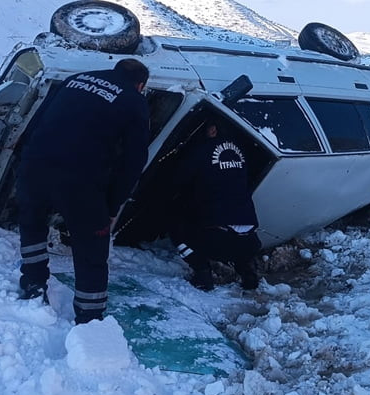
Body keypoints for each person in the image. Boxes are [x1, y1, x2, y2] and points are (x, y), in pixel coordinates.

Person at [13, 57, 150, 324]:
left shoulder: (75, 80)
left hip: (35, 165)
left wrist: (25, 160)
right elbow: (133, 161)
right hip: (80, 180)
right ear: (141, 84)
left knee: (32, 226)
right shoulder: (134, 101)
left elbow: (36, 121)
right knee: (91, 247)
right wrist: (112, 207)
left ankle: (33, 284)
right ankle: (89, 316)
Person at [172, 121, 262, 291]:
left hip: (219, 239)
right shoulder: (241, 150)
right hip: (251, 240)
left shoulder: (201, 150)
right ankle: (246, 270)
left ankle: (202, 272)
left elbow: (178, 180)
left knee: (176, 226)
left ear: (213, 129)